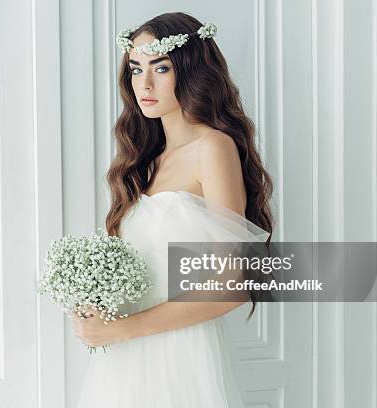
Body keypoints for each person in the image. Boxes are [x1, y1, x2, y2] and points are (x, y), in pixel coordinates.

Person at [72, 12, 275, 408]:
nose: (143, 84)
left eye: (160, 68)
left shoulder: (213, 148)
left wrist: (125, 329)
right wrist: (95, 303)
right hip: (123, 359)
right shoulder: (144, 161)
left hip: (178, 356)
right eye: (135, 69)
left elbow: (233, 285)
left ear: (191, 70)